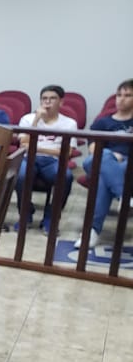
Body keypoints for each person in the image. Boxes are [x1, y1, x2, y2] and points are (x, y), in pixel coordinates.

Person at [16, 85, 78, 232]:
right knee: (20, 175)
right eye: (44, 98)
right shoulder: (28, 119)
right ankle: (25, 214)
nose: (47, 102)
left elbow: (67, 152)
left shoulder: (69, 123)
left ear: (61, 102)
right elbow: (23, 143)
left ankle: (51, 218)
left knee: (66, 176)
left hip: (53, 161)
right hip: (29, 158)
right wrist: (36, 120)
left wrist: (37, 148)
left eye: (52, 98)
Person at [79, 79, 133, 248]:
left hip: (129, 164)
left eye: (128, 95)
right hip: (103, 160)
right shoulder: (102, 122)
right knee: (94, 161)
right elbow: (93, 149)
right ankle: (124, 196)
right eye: (119, 95)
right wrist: (111, 155)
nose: (121, 99)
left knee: (102, 179)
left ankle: (92, 231)